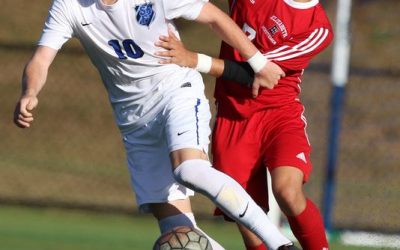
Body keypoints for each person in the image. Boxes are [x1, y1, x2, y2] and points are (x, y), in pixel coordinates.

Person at [13, 0, 299, 249]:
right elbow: (41, 58)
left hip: (176, 91)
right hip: (134, 121)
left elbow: (214, 16)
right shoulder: (69, 5)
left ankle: (280, 244)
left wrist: (259, 64)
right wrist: (30, 92)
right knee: (178, 237)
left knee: (190, 168)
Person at [155, 0, 334, 249]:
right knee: (248, 215)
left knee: (288, 192)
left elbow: (255, 73)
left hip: (279, 115)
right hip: (233, 119)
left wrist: (191, 59)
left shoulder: (317, 29)